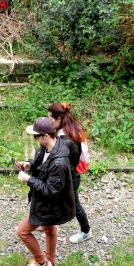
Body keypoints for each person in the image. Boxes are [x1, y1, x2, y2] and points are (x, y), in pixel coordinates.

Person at [15, 117, 75, 266]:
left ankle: (41, 262)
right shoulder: (46, 148)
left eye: (36, 136)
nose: (35, 139)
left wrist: (29, 180)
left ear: (46, 136)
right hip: (44, 202)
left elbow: (51, 191)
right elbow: (42, 164)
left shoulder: (59, 163)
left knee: (22, 232)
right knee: (49, 229)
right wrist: (30, 164)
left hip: (49, 204)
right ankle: (51, 261)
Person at [48, 102, 92, 244]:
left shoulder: (65, 139)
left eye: (50, 119)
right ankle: (45, 225)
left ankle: (86, 231)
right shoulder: (72, 129)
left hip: (70, 179)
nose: (49, 122)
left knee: (75, 205)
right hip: (71, 175)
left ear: (59, 119)